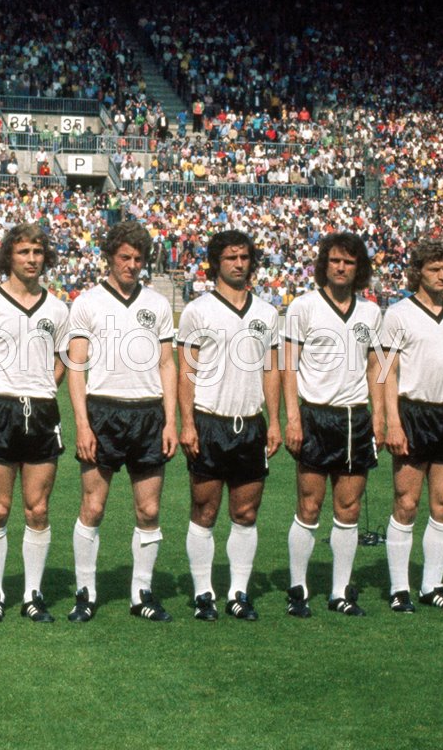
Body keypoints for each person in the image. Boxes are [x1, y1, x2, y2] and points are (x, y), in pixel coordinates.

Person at [65, 221, 177, 623]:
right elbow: (76, 367)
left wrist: (171, 421)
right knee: (93, 507)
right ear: (109, 257)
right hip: (103, 412)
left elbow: (168, 364)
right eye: (125, 257)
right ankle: (85, 591)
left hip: (148, 414)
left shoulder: (157, 304)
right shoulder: (87, 302)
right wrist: (82, 424)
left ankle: (141, 593)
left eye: (138, 259)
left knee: (149, 510)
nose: (132, 265)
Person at [0, 223, 69, 624]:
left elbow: (63, 360)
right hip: (0, 411)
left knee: (38, 509)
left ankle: (32, 594)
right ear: (9, 256)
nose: (31, 259)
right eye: (24, 251)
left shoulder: (57, 309)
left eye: (38, 252)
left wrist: (41, 389)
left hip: (41, 412)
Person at [177, 229, 281, 621]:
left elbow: (271, 371)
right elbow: (186, 371)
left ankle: (238, 593)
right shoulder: (198, 311)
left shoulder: (267, 313)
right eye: (230, 258)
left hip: (251, 424)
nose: (239, 264)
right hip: (209, 421)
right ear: (216, 264)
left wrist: (275, 421)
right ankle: (203, 592)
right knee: (204, 511)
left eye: (244, 257)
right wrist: (187, 423)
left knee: (246, 513)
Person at [282, 231, 384, 618]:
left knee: (349, 508)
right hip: (315, 416)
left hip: (355, 418)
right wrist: (293, 418)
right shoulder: (303, 307)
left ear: (359, 269)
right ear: (324, 265)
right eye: (335, 260)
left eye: (349, 262)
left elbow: (377, 367)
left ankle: (340, 591)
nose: (341, 268)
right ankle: (298, 588)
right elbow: (288, 367)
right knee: (309, 506)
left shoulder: (371, 313)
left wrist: (381, 416)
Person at [380, 240, 443, 613]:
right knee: (407, 503)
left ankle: (432, 586)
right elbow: (386, 372)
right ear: (418, 272)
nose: (442, 275)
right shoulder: (397, 314)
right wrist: (393, 422)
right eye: (434, 269)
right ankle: (399, 588)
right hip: (413, 414)